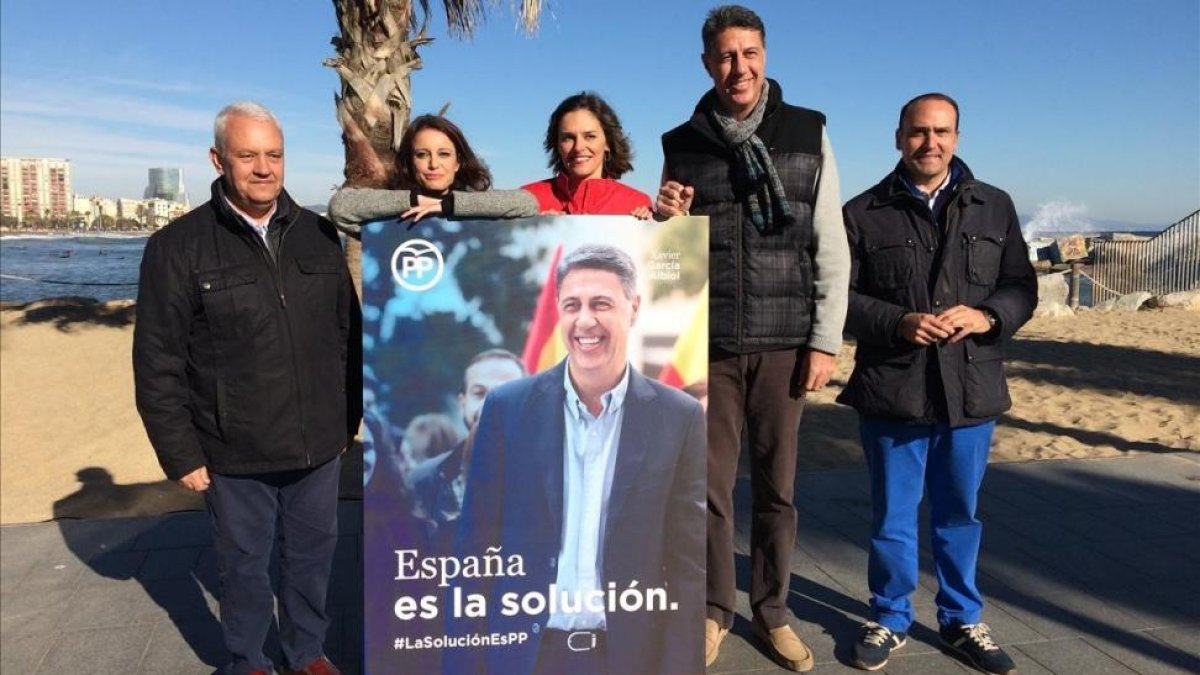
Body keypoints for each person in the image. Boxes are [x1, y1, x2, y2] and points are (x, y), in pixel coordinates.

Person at [133, 101, 360, 675]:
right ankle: (247, 659)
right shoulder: (177, 247)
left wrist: (347, 419)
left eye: (274, 154)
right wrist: (180, 452)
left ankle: (306, 651)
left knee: (311, 560)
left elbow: (347, 333)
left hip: (318, 442)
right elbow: (157, 361)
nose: (264, 168)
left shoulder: (318, 234)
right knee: (243, 567)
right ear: (218, 159)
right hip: (233, 447)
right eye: (248, 154)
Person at [655, 5, 850, 671]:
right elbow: (671, 253)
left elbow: (831, 247)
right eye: (725, 56)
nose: (738, 67)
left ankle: (772, 611)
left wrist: (824, 340)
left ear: (765, 56)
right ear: (707, 63)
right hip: (707, 342)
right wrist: (666, 225)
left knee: (778, 487)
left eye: (750, 53)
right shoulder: (680, 140)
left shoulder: (808, 131)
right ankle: (715, 608)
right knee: (707, 488)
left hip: (784, 342)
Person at [839, 93, 1036, 675]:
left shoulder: (994, 207)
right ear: (898, 136)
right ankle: (891, 616)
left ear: (958, 136)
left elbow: (1022, 285)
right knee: (893, 517)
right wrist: (896, 321)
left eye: (942, 131)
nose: (931, 142)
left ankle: (960, 620)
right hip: (893, 388)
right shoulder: (862, 212)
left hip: (971, 389)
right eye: (919, 132)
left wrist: (987, 316)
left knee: (959, 515)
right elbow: (841, 302)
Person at [449, 245, 705, 675]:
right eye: (572, 305)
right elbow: (474, 548)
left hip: (630, 656)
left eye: (601, 304)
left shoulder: (678, 416)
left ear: (634, 308)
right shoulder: (507, 408)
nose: (585, 320)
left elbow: (687, 562)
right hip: (524, 655)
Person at [327, 114, 539, 233]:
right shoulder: (391, 214)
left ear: (458, 163)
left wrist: (447, 206)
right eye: (422, 154)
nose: (433, 164)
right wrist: (416, 201)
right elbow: (340, 207)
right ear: (410, 161)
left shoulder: (475, 208)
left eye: (444, 154)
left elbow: (527, 203)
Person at [409, 348, 526, 553]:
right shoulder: (422, 481)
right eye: (480, 393)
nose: (492, 404)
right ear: (462, 403)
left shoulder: (556, 478)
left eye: (508, 392)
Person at [522, 92, 654, 217]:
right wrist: (533, 231)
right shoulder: (528, 199)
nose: (578, 147)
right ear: (557, 144)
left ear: (608, 142)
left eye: (590, 136)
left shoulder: (637, 204)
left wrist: (644, 226)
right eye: (568, 138)